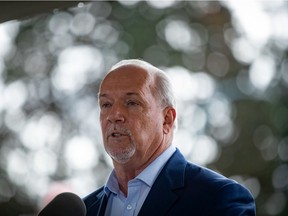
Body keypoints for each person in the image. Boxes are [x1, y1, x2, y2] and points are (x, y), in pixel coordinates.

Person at [83, 59, 256, 216]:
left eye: (132, 103)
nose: (114, 115)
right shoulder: (84, 209)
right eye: (106, 104)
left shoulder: (219, 198)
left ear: (167, 119)